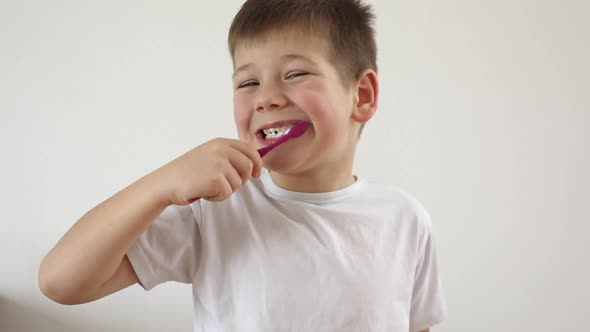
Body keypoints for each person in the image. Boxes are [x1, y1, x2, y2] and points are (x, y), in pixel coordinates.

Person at [39, 0, 447, 331]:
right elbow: (60, 281)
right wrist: (162, 184)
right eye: (248, 83)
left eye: (295, 73)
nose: (266, 98)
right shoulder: (214, 212)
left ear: (361, 96)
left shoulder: (405, 219)